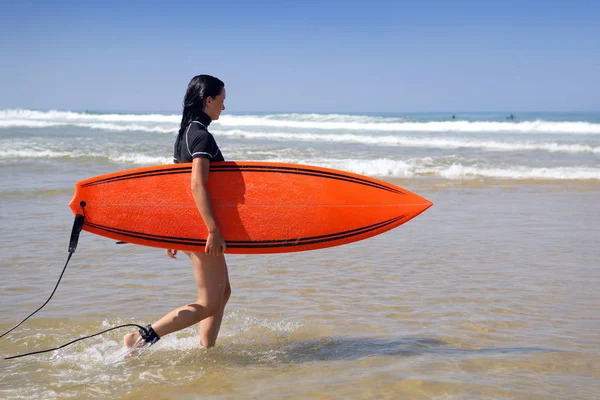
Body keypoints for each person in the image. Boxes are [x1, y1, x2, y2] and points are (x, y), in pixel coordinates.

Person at [123, 74, 231, 351]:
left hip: (192, 224)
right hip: (202, 228)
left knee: (222, 293)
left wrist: (172, 232)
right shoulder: (201, 137)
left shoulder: (185, 134)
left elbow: (175, 189)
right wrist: (213, 230)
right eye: (221, 100)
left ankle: (208, 347)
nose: (224, 107)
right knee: (208, 301)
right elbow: (196, 185)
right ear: (209, 100)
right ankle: (141, 339)